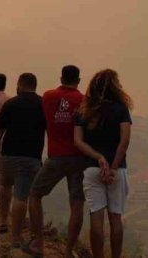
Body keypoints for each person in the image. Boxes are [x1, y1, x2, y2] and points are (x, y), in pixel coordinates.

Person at [24, 65, 86, 257]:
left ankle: (38, 243)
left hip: (56, 157)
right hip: (78, 158)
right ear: (79, 80)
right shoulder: (84, 101)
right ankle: (68, 252)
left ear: (61, 78)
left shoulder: (49, 96)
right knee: (76, 203)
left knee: (34, 195)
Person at [74, 69, 133, 258]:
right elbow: (124, 141)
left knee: (95, 217)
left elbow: (78, 141)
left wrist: (98, 157)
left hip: (92, 169)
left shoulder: (84, 110)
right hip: (117, 170)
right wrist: (113, 167)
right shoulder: (121, 109)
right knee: (115, 218)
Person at [0, 73, 45, 251]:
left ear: (20, 84)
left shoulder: (11, 103)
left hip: (9, 155)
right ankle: (17, 236)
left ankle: (3, 221)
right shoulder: (43, 104)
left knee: (5, 186)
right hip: (31, 156)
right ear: (35, 85)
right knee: (21, 196)